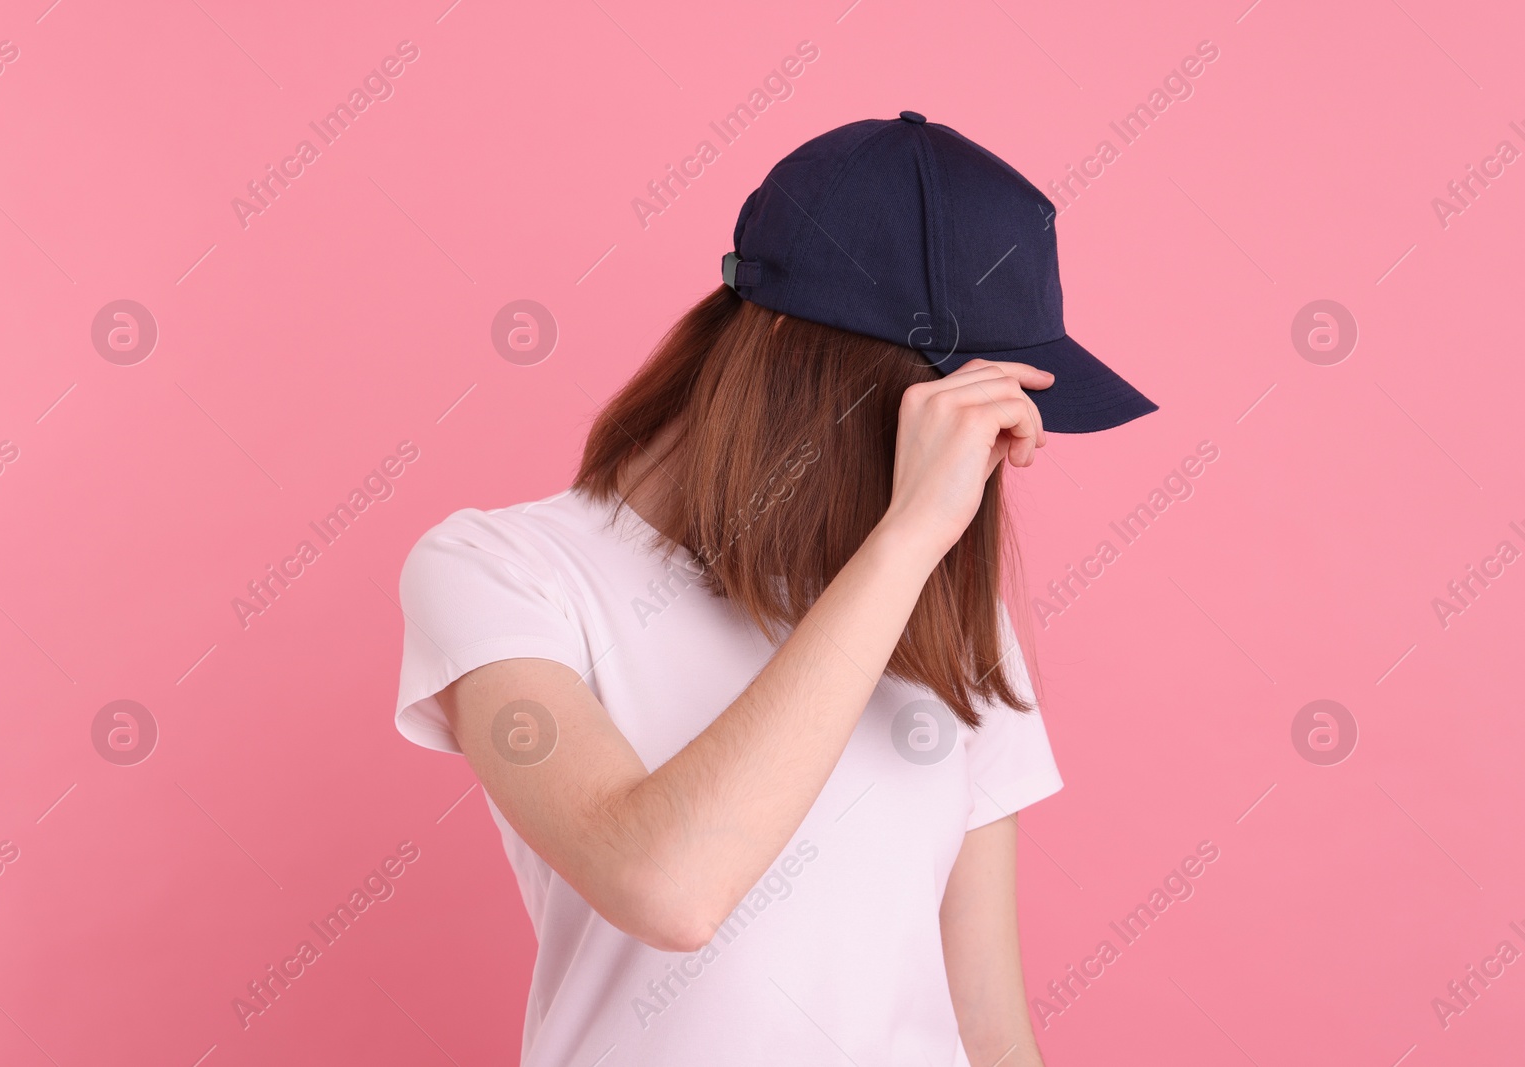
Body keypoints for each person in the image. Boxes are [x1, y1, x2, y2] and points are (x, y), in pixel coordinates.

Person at [394, 111, 1156, 1066]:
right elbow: (667, 886)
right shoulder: (506, 571)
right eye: (961, 416)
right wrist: (908, 535)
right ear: (837, 383)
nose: (989, 461)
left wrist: (910, 557)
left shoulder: (947, 609)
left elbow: (988, 1021)